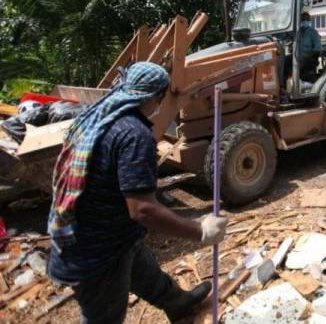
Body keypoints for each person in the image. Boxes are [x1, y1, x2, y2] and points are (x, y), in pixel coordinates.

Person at [48, 62, 228, 323]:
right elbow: (143, 210)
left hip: (109, 232)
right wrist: (200, 231)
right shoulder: (134, 135)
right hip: (98, 252)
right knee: (104, 316)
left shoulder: (100, 116)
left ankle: (177, 303)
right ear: (157, 96)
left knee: (142, 267)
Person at [298, 11, 322, 79]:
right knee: (287, 59)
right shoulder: (297, 32)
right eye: (303, 20)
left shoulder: (313, 32)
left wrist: (310, 55)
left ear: (309, 21)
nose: (305, 21)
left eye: (307, 20)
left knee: (301, 59)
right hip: (297, 56)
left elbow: (318, 49)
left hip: (309, 57)